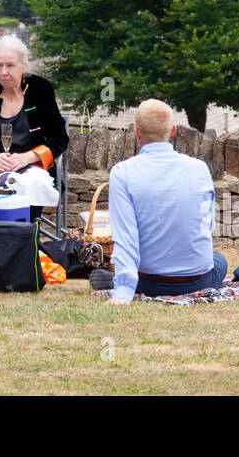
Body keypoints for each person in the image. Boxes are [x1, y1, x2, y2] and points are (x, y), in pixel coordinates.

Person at [94, 99, 226, 304]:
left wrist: (123, 292)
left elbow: (125, 237)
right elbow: (208, 225)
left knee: (217, 260)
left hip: (148, 282)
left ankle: (115, 279)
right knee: (219, 260)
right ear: (172, 130)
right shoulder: (199, 168)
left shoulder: (122, 173)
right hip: (197, 281)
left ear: (136, 132)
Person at [0, 35, 68, 218]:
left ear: (24, 65)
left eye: (10, 65)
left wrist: (27, 158)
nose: (4, 72)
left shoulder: (41, 89)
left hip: (31, 166)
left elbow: (59, 138)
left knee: (29, 185)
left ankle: (25, 234)